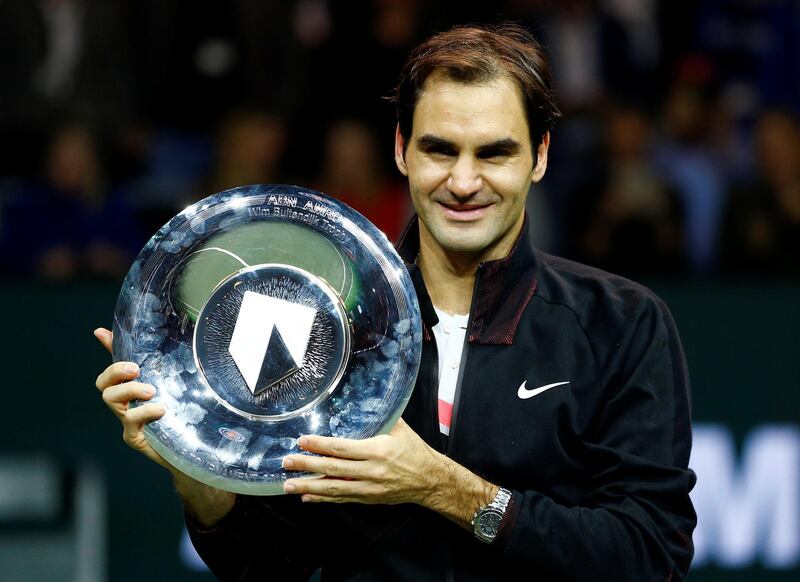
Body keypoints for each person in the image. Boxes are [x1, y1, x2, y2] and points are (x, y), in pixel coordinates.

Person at [94, 23, 696, 581]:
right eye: (440, 150)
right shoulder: (330, 330)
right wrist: (195, 473)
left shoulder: (621, 322)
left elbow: (649, 557)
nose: (463, 182)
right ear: (402, 150)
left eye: (493, 153)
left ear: (539, 156)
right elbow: (266, 566)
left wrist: (441, 487)